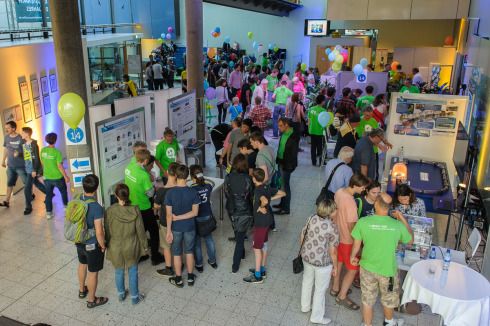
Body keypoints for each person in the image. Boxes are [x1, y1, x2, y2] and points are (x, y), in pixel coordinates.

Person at [350, 193, 414, 326]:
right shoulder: (397, 225)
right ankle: (389, 322)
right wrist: (401, 217)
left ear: (376, 204)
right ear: (390, 207)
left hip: (367, 267)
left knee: (367, 299)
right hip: (388, 270)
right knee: (389, 298)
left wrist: (353, 257)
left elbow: (356, 245)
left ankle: (367, 325)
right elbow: (411, 240)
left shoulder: (363, 222)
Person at [331, 173, 370, 311]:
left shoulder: (339, 192)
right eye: (363, 187)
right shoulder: (351, 202)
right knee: (353, 268)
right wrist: (356, 243)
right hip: (347, 239)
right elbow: (351, 226)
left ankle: (335, 288)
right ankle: (341, 297)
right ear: (355, 185)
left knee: (339, 262)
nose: (364, 190)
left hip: (337, 235)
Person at [105, 184, 147, 305]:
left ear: (116, 196)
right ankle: (135, 297)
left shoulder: (110, 210)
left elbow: (107, 230)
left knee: (118, 271)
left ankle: (121, 294)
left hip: (116, 244)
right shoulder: (135, 210)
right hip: (132, 244)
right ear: (128, 195)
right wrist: (144, 244)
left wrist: (107, 243)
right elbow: (140, 230)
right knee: (133, 271)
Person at [300, 199, 340, 325]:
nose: (337, 211)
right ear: (330, 212)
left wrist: (303, 250)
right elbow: (333, 251)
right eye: (335, 209)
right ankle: (317, 317)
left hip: (307, 257)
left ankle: (305, 306)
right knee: (320, 290)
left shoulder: (311, 218)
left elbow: (303, 235)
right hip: (323, 262)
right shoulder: (333, 227)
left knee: (307, 282)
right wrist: (336, 266)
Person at [244, 168, 285, 283]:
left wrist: (262, 206)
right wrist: (269, 198)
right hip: (267, 221)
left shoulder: (257, 190)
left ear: (254, 179)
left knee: (257, 248)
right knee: (264, 246)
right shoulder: (267, 187)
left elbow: (265, 202)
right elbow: (283, 193)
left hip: (260, 223)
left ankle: (257, 276)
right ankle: (261, 270)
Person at [125, 149, 164, 266]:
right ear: (146, 160)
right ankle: (155, 257)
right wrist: (151, 190)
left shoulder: (129, 167)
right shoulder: (143, 175)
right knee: (154, 231)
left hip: (131, 205)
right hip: (144, 207)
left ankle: (139, 255)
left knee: (139, 231)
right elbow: (151, 193)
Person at [165, 165, 201, 288]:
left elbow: (169, 215)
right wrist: (182, 217)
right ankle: (190, 277)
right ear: (187, 177)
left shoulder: (170, 193)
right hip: (190, 227)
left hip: (175, 228)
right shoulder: (192, 191)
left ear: (176, 176)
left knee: (176, 253)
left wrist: (169, 231)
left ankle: (179, 279)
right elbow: (195, 213)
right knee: (189, 251)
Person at [75, 174, 107, 308]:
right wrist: (103, 245)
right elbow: (99, 232)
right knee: (93, 272)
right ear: (96, 188)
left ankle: (82, 290)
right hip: (91, 243)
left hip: (79, 240)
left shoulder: (76, 198)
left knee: (82, 264)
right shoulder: (96, 207)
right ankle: (92, 300)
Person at [225, 154, 254, 273]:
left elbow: (226, 193)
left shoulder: (228, 177)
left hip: (231, 209)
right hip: (244, 211)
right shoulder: (248, 179)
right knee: (240, 237)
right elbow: (251, 196)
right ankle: (235, 265)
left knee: (237, 232)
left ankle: (241, 254)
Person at [190, 165, 217, 272]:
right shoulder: (208, 185)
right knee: (209, 240)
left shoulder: (192, 188)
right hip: (207, 216)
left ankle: (199, 265)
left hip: (196, 217)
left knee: (197, 243)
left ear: (192, 176)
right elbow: (208, 197)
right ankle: (213, 261)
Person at [153, 162, 179, 278]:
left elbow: (156, 206)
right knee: (178, 245)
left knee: (166, 246)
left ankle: (169, 268)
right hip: (178, 222)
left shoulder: (161, 192)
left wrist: (155, 211)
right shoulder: (180, 189)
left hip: (164, 222)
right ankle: (179, 264)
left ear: (167, 172)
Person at [41, 133, 69, 219]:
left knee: (48, 195)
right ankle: (66, 208)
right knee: (63, 192)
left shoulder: (43, 150)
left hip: (47, 177)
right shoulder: (57, 152)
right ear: (55, 140)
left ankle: (49, 213)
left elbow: (43, 162)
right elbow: (59, 166)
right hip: (57, 177)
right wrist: (65, 176)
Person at [273, 117, 298, 215]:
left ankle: (286, 208)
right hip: (281, 161)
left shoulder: (293, 136)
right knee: (281, 184)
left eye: (280, 126)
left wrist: (288, 165)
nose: (278, 128)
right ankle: (282, 203)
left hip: (286, 164)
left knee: (285, 186)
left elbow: (293, 154)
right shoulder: (284, 133)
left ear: (286, 125)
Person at [19, 127, 46, 215]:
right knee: (37, 183)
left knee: (27, 189)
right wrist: (18, 154)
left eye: (23, 133)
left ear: (27, 134)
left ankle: (28, 206)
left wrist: (34, 170)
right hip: (27, 169)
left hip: (31, 170)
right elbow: (25, 155)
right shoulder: (23, 143)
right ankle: (49, 193)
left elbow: (37, 159)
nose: (21, 134)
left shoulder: (34, 144)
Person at [1, 121, 26, 208]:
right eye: (6, 128)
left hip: (20, 165)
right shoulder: (6, 138)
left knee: (26, 182)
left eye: (8, 128)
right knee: (9, 183)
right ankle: (6, 201)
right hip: (10, 165)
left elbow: (26, 150)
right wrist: (3, 160)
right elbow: (6, 150)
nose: (6, 129)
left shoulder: (20, 138)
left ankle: (31, 195)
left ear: (13, 128)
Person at [308, 94, 326, 166]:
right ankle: (321, 161)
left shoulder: (311, 109)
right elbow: (325, 122)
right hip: (320, 131)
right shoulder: (324, 111)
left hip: (312, 130)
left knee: (313, 147)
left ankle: (313, 162)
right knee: (320, 147)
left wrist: (309, 129)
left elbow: (309, 120)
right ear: (322, 101)